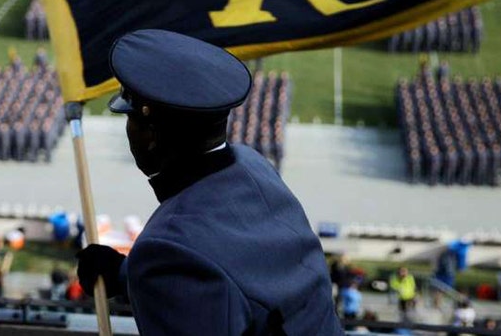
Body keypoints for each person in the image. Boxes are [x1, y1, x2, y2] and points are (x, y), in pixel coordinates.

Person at [75, 29, 341, 335]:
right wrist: (126, 273)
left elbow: (195, 264)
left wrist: (149, 267)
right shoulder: (253, 167)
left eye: (131, 118)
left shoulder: (168, 245)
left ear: (151, 135)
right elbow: (237, 270)